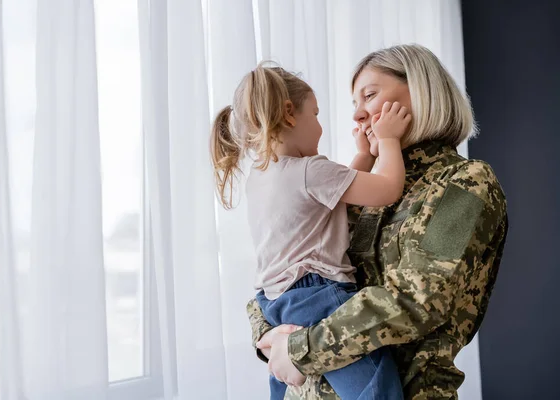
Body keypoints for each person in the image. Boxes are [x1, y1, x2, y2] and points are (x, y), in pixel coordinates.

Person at [247, 44, 508, 400]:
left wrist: (299, 349)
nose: (357, 115)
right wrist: (267, 336)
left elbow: (416, 300)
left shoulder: (464, 184)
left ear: (420, 91)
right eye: (354, 103)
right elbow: (289, 268)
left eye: (369, 95)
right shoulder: (364, 183)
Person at [210, 63, 412, 399]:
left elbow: (334, 197)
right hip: (316, 295)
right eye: (315, 114)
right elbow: (388, 189)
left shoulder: (262, 177)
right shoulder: (309, 171)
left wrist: (364, 154)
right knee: (378, 391)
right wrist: (389, 140)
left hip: (276, 304)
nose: (320, 126)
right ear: (290, 114)